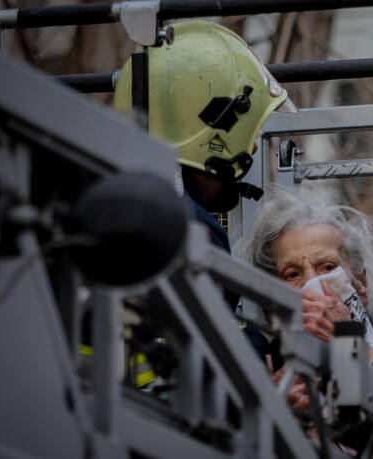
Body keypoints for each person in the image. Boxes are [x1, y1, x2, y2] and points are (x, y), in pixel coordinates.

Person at [113, 21, 292, 364]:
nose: (253, 147)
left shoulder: (121, 201)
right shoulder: (193, 229)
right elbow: (215, 361)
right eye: (249, 131)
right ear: (216, 131)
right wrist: (273, 343)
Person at [245, 187, 373, 374]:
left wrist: (349, 345)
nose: (313, 283)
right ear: (269, 306)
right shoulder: (261, 362)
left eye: (327, 267)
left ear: (361, 283)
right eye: (292, 275)